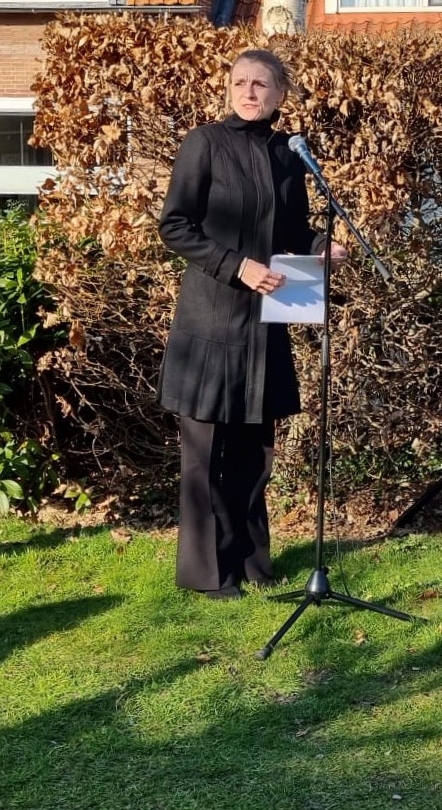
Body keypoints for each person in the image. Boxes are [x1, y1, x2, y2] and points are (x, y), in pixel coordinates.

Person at [158, 49, 346, 600]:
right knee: (205, 453)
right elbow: (175, 225)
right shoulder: (205, 143)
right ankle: (208, 574)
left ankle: (251, 563)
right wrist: (238, 266)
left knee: (253, 449)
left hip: (266, 327)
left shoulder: (289, 156)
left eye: (260, 83)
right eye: (239, 82)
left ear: (280, 93)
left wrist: (320, 247)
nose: (248, 92)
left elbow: (291, 230)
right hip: (210, 322)